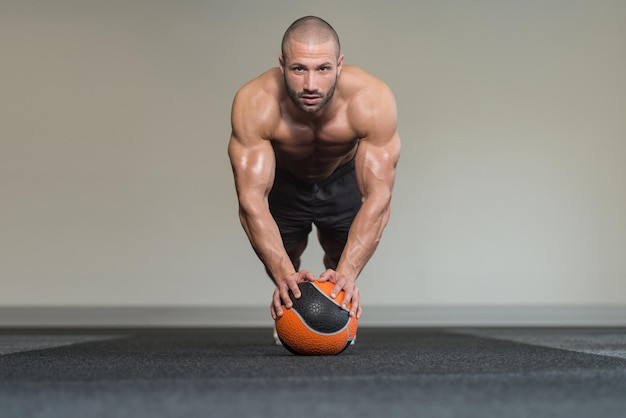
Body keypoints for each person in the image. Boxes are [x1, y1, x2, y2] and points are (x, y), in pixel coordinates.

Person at [228, 16, 400, 323]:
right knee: (285, 259)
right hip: (285, 181)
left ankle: (335, 313)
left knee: (341, 255)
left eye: (323, 69)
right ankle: (296, 314)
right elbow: (250, 202)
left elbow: (378, 198)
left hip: (342, 178)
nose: (311, 85)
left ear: (339, 63)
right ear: (282, 65)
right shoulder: (255, 102)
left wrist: (346, 277)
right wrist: (284, 276)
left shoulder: (371, 100)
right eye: (299, 69)